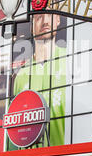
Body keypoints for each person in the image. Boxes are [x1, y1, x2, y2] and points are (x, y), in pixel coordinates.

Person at [10, 11, 67, 148]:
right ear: (32, 26)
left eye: (50, 16)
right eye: (39, 17)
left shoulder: (70, 60)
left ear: (58, 20)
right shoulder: (21, 75)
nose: (45, 21)